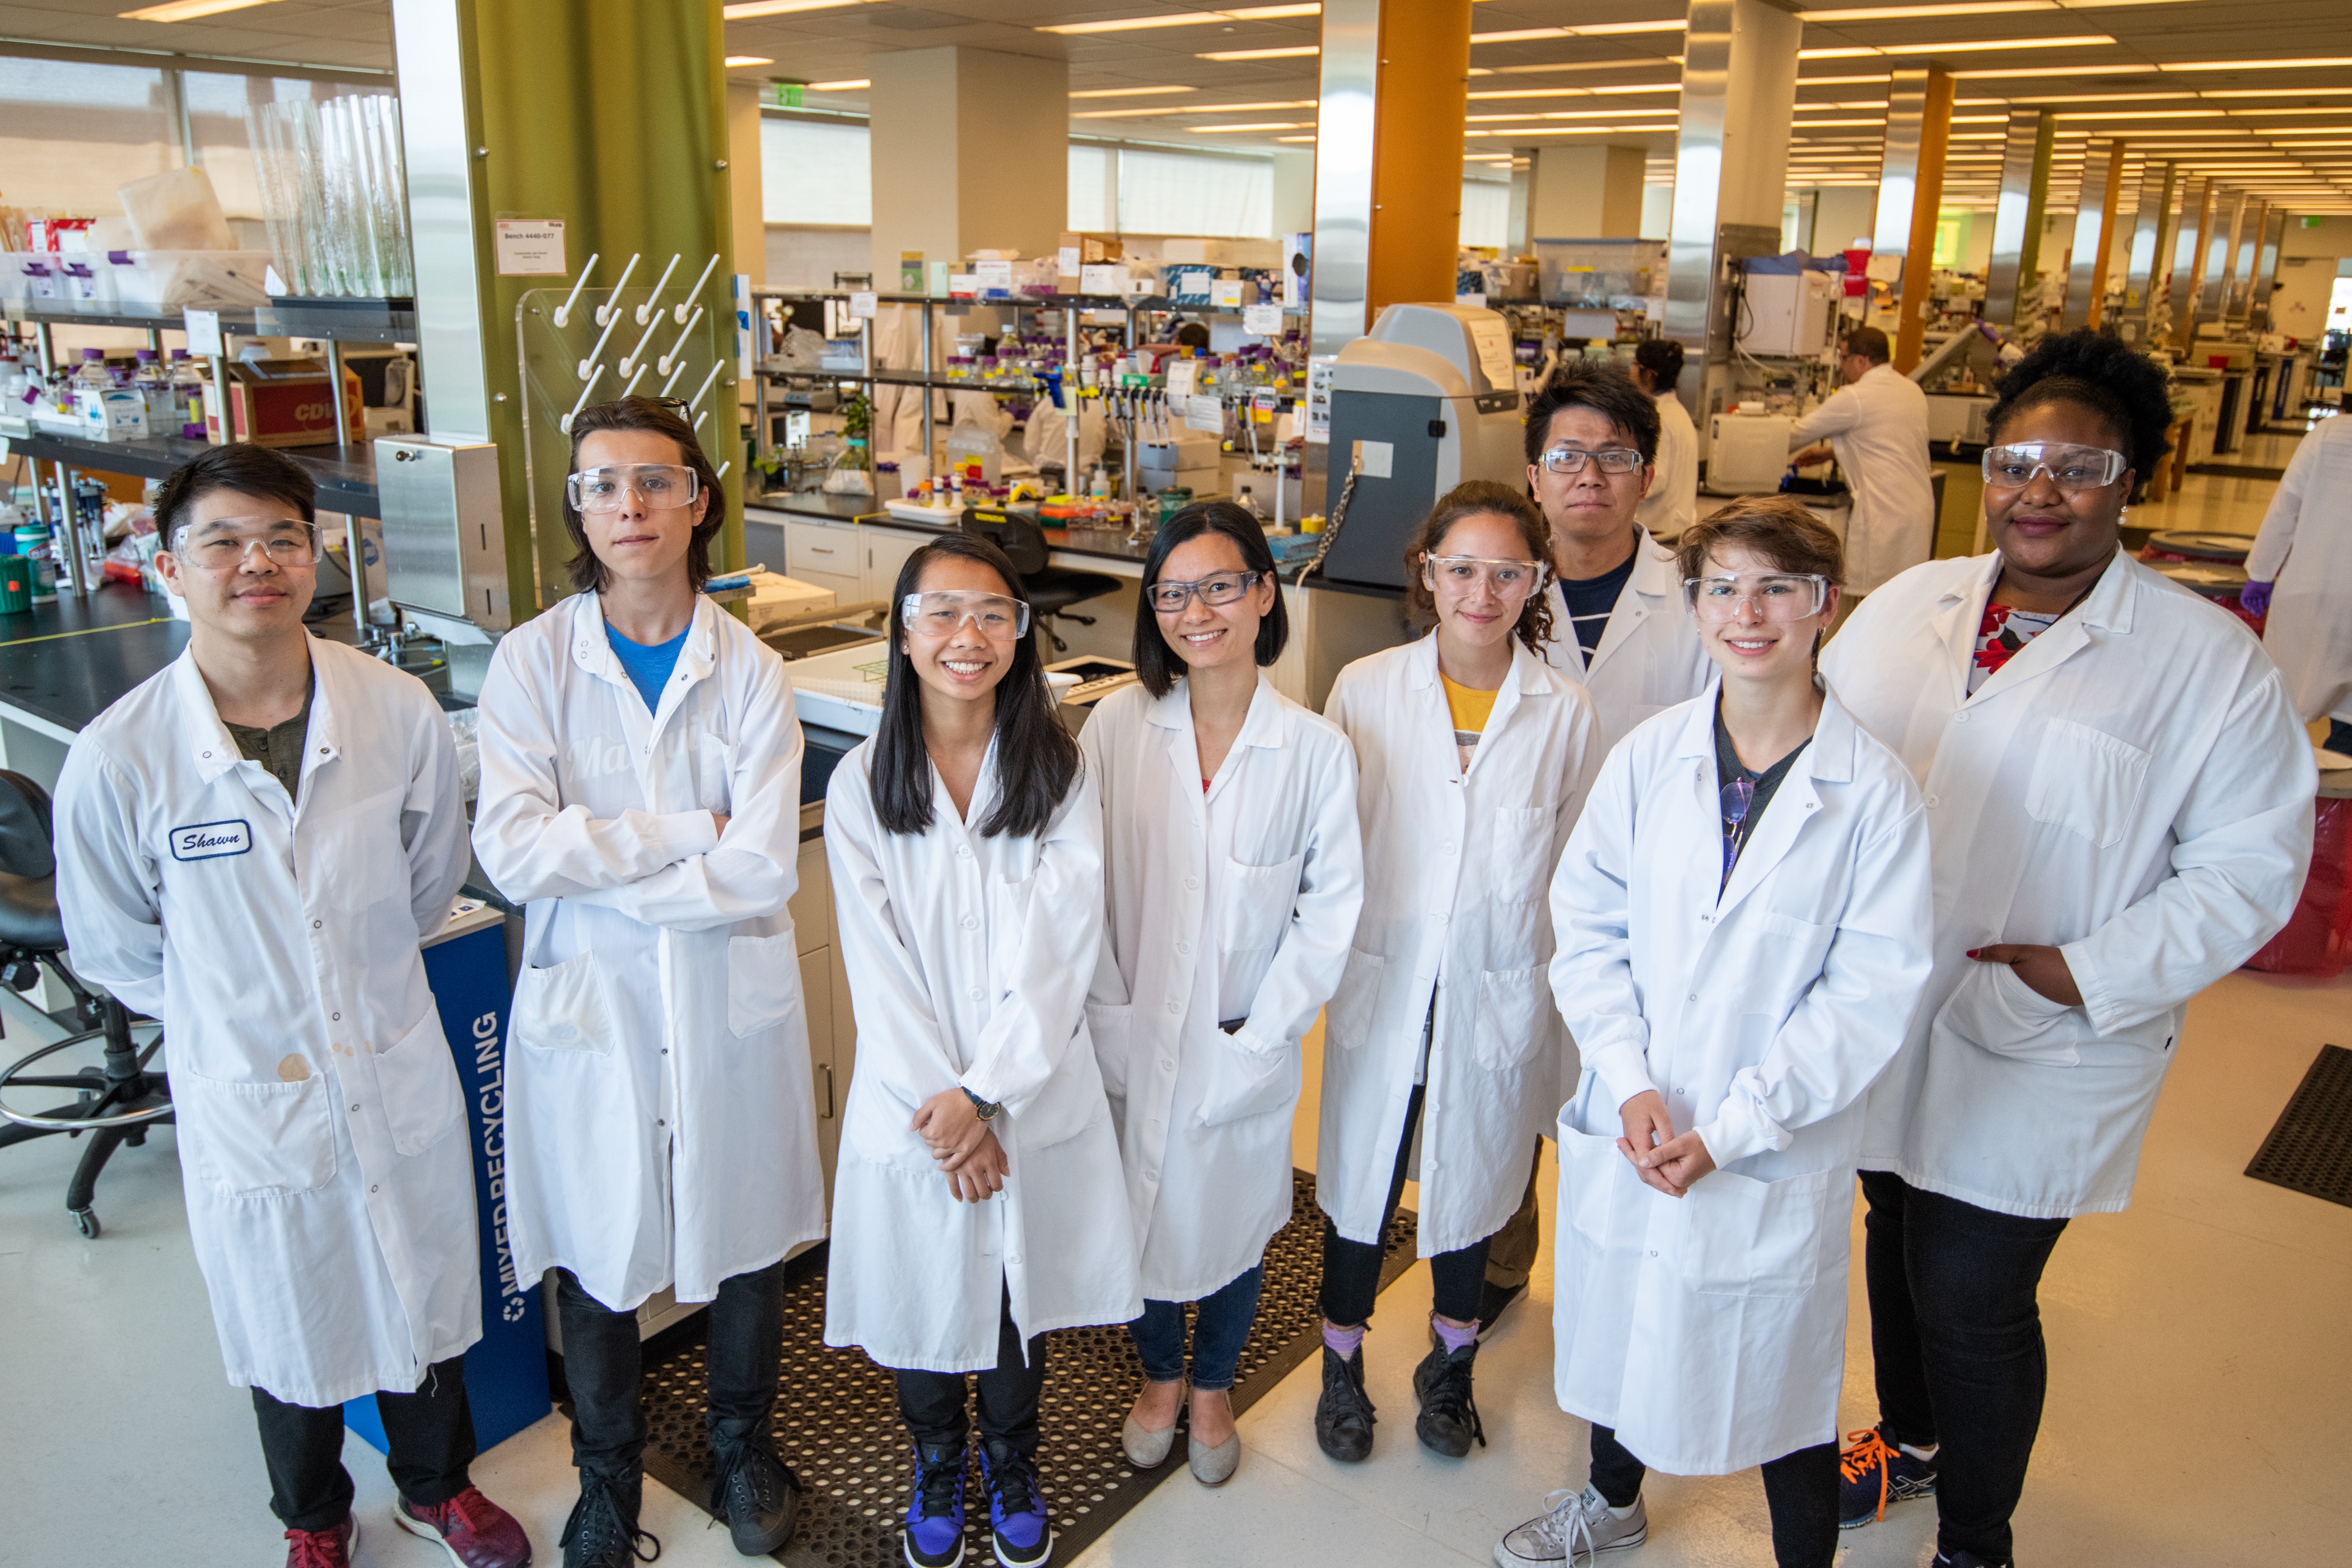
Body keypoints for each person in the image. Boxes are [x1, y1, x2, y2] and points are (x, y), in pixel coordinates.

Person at [1819, 329, 2315, 1568]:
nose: (2039, 488)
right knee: (1890, 1222)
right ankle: (1914, 1441)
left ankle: (1977, 1544)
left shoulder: (2206, 665)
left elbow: (2252, 867)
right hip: (1883, 1002)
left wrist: (2082, 970)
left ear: (2133, 477)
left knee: (1978, 1296)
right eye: (2016, 459)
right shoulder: (1911, 606)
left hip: (2046, 1031)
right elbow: (1810, 762)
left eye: (2078, 462)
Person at [53, 444, 529, 1568]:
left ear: (314, 555)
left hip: (389, 1053)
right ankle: (313, 1515)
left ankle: (436, 1485)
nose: (253, 561)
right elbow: (118, 947)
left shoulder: (394, 707)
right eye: (221, 540)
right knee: (282, 1305)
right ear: (171, 567)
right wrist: (245, 1016)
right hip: (248, 1085)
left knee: (419, 1283)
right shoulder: (122, 758)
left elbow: (427, 879)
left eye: (279, 536)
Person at [1495, 496, 1934, 1568]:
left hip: (1771, 1137)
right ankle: (1610, 1501)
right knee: (1622, 1320)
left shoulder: (1873, 794)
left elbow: (1869, 993)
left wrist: (1735, 1128)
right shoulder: (1650, 758)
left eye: (1778, 588)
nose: (1750, 613)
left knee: (1780, 1370)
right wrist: (1632, 1081)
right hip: (1638, 1111)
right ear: (1693, 608)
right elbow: (1586, 924)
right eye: (1723, 588)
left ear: (1825, 606)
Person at [470, 398, 824, 1567]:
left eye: (654, 481)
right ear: (580, 506)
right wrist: (683, 830)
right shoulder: (531, 662)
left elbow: (764, 858)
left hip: (726, 1000)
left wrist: (605, 858)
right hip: (594, 1006)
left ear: (698, 498)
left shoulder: (753, 669)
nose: (629, 504)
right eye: (603, 484)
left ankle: (740, 1448)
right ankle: (606, 1479)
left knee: (744, 1229)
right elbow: (514, 854)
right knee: (597, 1234)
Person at [823, 535, 1141, 1568]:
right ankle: (934, 1459)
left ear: (1023, 631)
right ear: (904, 631)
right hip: (917, 1108)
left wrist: (989, 1094)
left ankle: (1011, 1457)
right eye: (944, 612)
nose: (970, 637)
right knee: (925, 1290)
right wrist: (951, 1112)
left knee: (1014, 1298)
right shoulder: (862, 784)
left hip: (1027, 1095)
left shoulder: (1059, 767)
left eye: (995, 614)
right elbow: (879, 974)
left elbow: (1063, 948)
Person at [1314, 480, 1599, 1464]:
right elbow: (1332, 847)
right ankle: (1341, 1364)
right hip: (1386, 980)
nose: (1483, 591)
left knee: (1475, 1186)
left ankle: (1451, 1368)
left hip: (1495, 985)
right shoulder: (1364, 687)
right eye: (1462, 568)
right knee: (1362, 1179)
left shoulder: (1566, 712)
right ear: (1426, 573)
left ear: (1537, 583)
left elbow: (1576, 873)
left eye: (1507, 572)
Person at [1082, 502, 1364, 1487]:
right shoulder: (1117, 726)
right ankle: (1159, 1376)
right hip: (1129, 1023)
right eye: (1172, 591)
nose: (1195, 611)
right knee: (1139, 1215)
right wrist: (1100, 1011)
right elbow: (1079, 879)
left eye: (1218, 586)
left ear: (1263, 593)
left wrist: (1266, 1032)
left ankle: (1213, 1384)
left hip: (1243, 1035)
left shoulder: (1314, 750)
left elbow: (1330, 913)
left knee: (1234, 1224)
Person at [1499, 361, 1713, 1329]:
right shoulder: (1490, 588)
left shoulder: (1701, 600)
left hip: (1649, 910)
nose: (1590, 475)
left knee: (1627, 1089)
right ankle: (1496, 1279)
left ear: (1648, 472)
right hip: (1511, 896)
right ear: (1533, 472)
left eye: (1615, 457)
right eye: (1568, 456)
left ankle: (1614, 1297)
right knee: (1503, 1097)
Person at [1787, 325, 1936, 595]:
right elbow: (1890, 441)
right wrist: (1831, 453)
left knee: (1874, 602)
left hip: (1884, 512)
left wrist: (1747, 430)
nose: (1841, 367)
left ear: (1861, 360)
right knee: (1904, 598)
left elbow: (1795, 435)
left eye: (1843, 359)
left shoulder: (1854, 397)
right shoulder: (1911, 389)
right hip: (1917, 511)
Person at [2242, 410, 2352, 757]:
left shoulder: (2330, 432)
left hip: (2317, 587)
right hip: (2326, 589)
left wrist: (2261, 572)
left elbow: (2287, 503)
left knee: (2294, 699)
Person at [1630, 339, 1698, 542]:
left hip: (1659, 530)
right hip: (1672, 527)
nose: (1630, 372)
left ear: (1650, 374)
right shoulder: (1676, 413)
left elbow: (1657, 479)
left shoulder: (1660, 418)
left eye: (1634, 365)